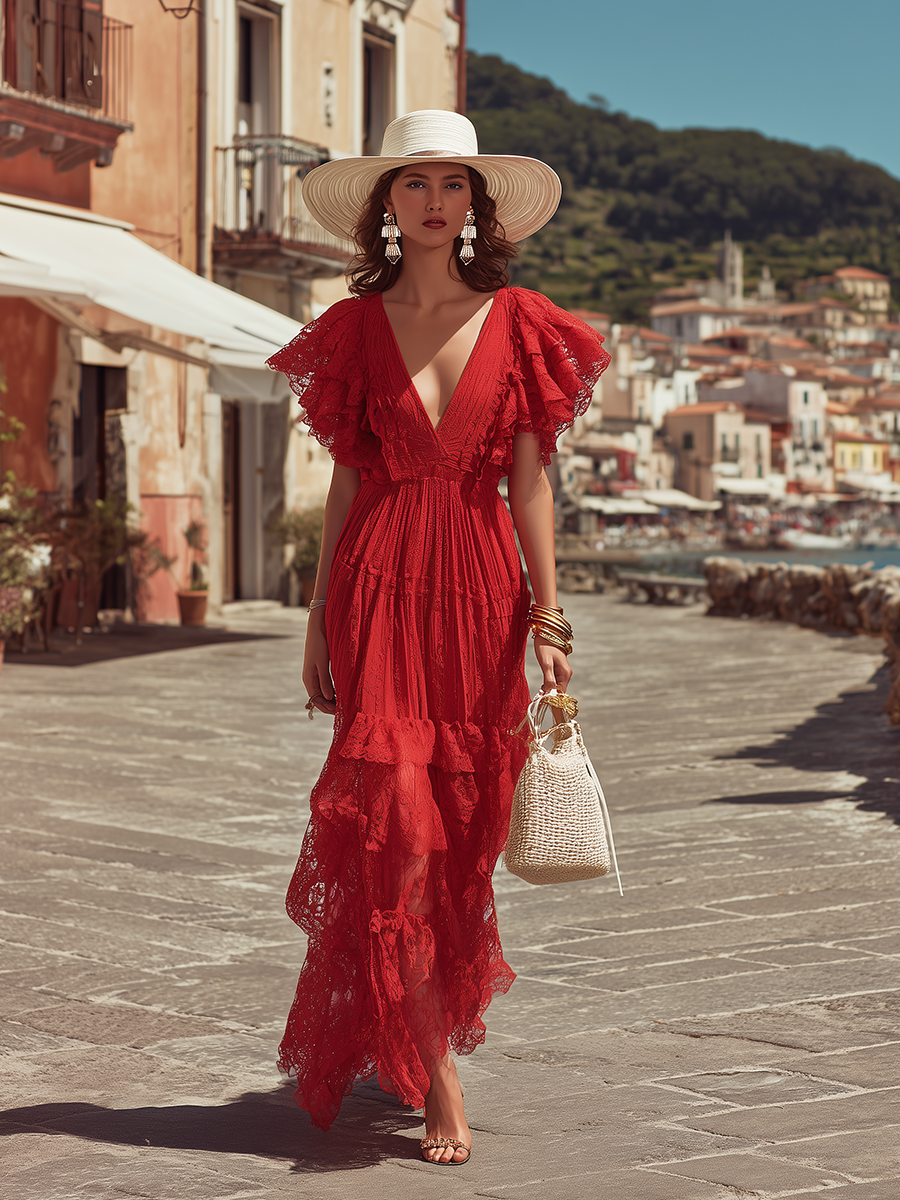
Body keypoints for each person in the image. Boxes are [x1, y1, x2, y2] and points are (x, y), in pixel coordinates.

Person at [267, 109, 609, 1166]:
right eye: (413, 184)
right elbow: (350, 481)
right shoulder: (354, 329)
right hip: (378, 592)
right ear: (385, 206)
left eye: (451, 185)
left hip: (478, 597)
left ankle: (414, 1029)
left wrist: (550, 621)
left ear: (474, 205)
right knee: (396, 835)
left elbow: (530, 484)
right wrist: (319, 620)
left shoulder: (522, 320)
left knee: (456, 840)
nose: (433, 202)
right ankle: (438, 1079)